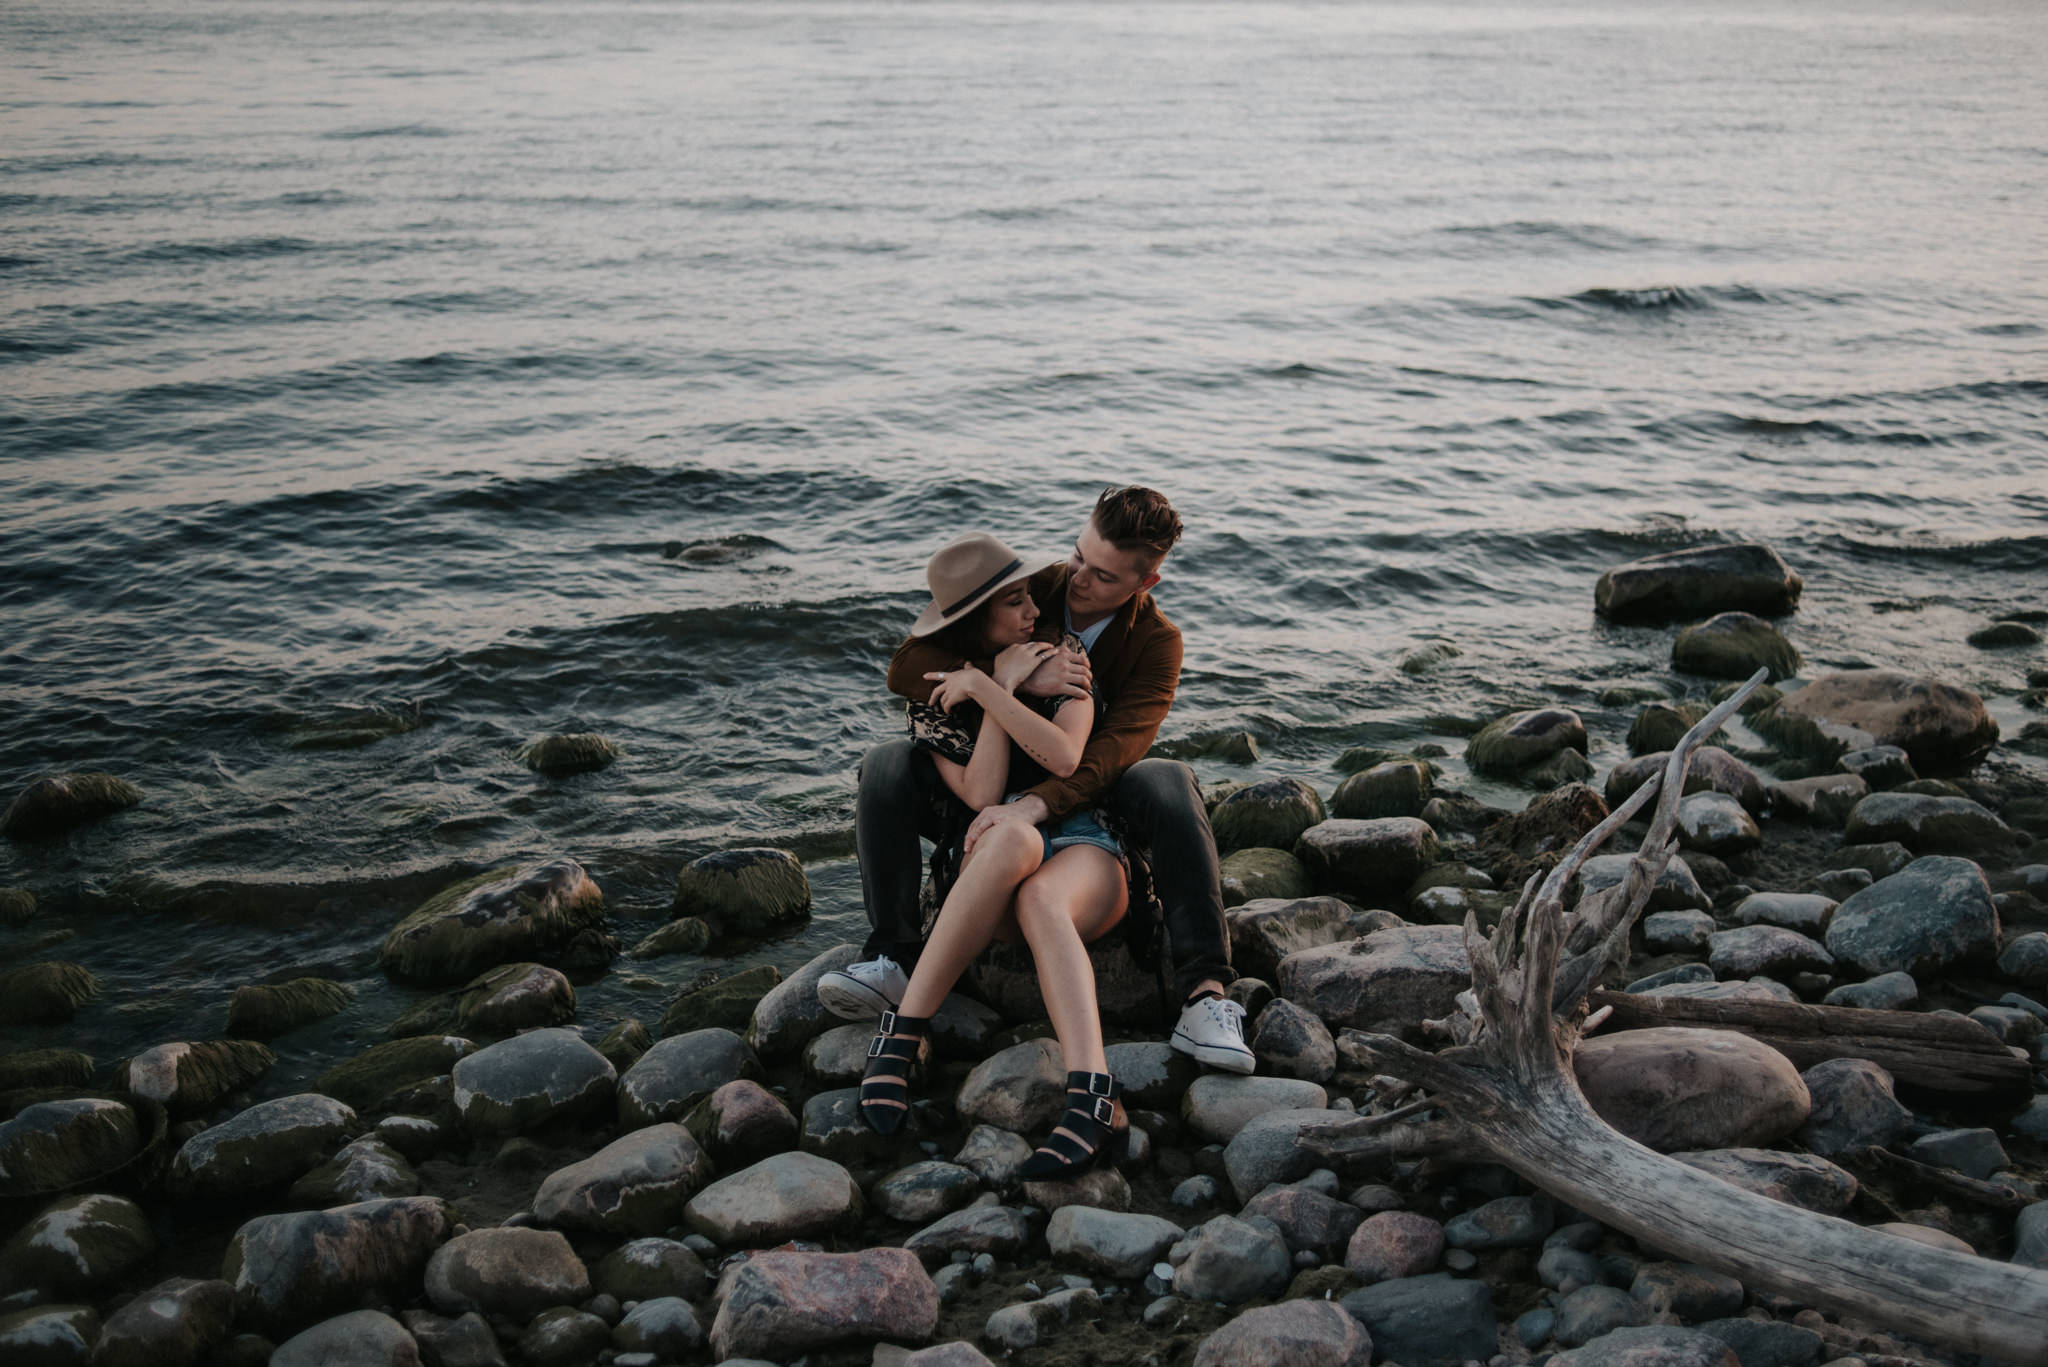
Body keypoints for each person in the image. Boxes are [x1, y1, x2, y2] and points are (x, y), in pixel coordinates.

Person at [821, 485, 1253, 1074]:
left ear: (1143, 583)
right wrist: (1007, 679)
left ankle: (1205, 993)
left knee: (1167, 777)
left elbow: (1110, 754)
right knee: (887, 762)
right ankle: (895, 955)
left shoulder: (1158, 642)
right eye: (1078, 555)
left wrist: (1034, 805)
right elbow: (906, 667)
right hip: (984, 777)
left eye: (1102, 575)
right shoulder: (1038, 587)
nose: (1078, 579)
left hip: (1093, 792)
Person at [855, 530, 1134, 1175]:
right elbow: (981, 793)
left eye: (1030, 595)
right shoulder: (940, 698)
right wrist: (987, 689)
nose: (1035, 610)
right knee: (1007, 833)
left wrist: (992, 691)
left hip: (1083, 848)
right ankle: (904, 1036)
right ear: (979, 622)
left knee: (1042, 893)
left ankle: (1089, 1093)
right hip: (991, 866)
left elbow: (1065, 758)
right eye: (1015, 603)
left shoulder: (1061, 661)